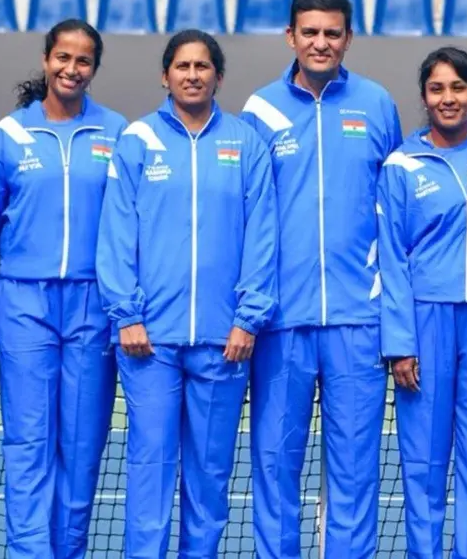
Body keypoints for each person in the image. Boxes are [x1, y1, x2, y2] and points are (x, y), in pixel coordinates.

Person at [96, 29, 278, 558]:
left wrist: (248, 319)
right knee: (150, 473)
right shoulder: (137, 141)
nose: (192, 75)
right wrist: (126, 315)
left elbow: (262, 236)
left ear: (218, 76)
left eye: (203, 66)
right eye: (182, 66)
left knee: (209, 480)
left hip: (226, 344)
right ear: (165, 74)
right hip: (147, 344)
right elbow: (116, 235)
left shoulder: (246, 143)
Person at [239, 0, 404, 559]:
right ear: (290, 36)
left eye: (332, 32)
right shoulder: (258, 110)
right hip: (280, 323)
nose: (321, 42)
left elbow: (397, 207)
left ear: (348, 38)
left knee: (356, 475)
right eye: (309, 31)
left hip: (358, 322)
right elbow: (246, 215)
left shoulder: (379, 104)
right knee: (275, 468)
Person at [0, 19, 128, 559]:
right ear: (46, 60)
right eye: (63, 58)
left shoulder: (117, 132)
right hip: (24, 304)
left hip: (95, 307)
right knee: (28, 446)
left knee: (82, 447)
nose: (72, 69)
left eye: (84, 60)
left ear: (94, 68)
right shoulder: (9, 135)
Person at [377, 47, 467, 559]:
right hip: (424, 323)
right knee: (424, 466)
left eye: (458, 87)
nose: (448, 98)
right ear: (424, 97)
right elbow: (390, 257)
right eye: (437, 89)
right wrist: (399, 342)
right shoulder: (401, 164)